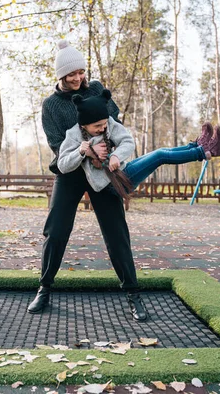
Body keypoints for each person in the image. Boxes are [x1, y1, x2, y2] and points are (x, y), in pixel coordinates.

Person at [28, 39, 148, 321]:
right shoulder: (51, 106)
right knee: (55, 231)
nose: (78, 78)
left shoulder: (95, 89)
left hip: (102, 169)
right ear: (60, 75)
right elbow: (58, 146)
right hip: (71, 171)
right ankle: (44, 288)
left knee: (116, 231)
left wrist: (103, 154)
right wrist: (86, 150)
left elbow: (112, 120)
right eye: (72, 74)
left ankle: (132, 292)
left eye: (81, 72)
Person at [56, 89, 220, 200]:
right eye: (97, 127)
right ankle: (206, 151)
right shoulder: (74, 135)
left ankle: (198, 146)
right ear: (84, 125)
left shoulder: (108, 122)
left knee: (161, 151)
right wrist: (81, 152)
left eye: (104, 125)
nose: (102, 128)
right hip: (113, 185)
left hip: (123, 168)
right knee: (160, 156)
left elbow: (128, 141)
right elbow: (62, 165)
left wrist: (116, 155)